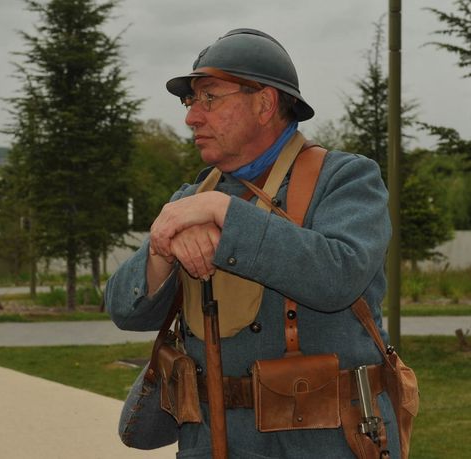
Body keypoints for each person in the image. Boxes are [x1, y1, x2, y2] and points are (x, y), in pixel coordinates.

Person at [105, 28, 400, 458]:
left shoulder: (346, 178)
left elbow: (339, 274)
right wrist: (161, 248)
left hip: (321, 443)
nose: (192, 117)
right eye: (191, 101)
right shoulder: (191, 200)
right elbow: (124, 309)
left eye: (210, 98)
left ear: (264, 103)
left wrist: (224, 215)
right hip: (211, 442)